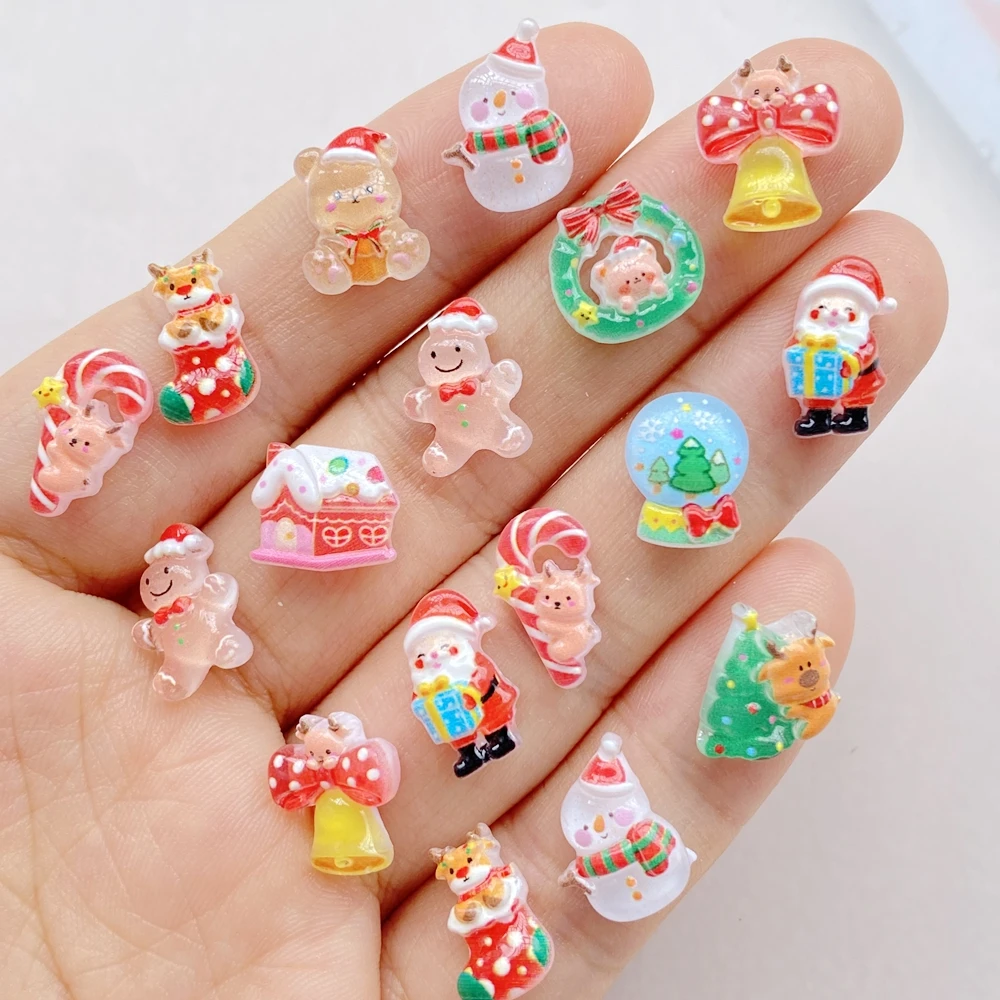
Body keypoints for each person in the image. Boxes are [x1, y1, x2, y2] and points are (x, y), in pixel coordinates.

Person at [0, 23, 945, 1000]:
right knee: (469, 654)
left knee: (486, 684)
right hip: (406, 533)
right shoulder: (388, 677)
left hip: (496, 512)